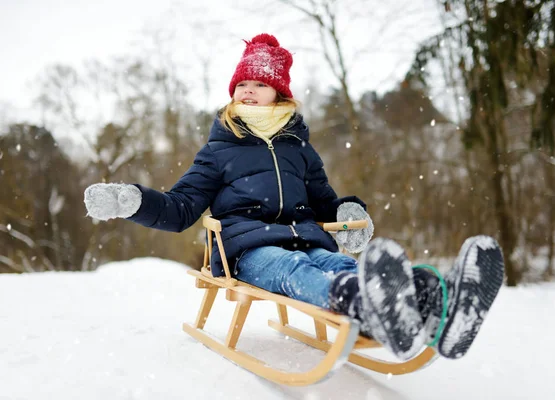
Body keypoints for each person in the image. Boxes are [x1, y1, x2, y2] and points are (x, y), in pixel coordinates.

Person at [84, 33, 505, 361]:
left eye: (258, 84)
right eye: (241, 84)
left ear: (279, 93)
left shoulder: (298, 149)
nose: (247, 91)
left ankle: (435, 298)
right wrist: (132, 200)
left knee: (339, 262)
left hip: (310, 239)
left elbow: (325, 201)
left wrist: (348, 212)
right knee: (295, 271)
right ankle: (365, 304)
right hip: (250, 250)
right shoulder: (218, 151)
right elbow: (180, 210)